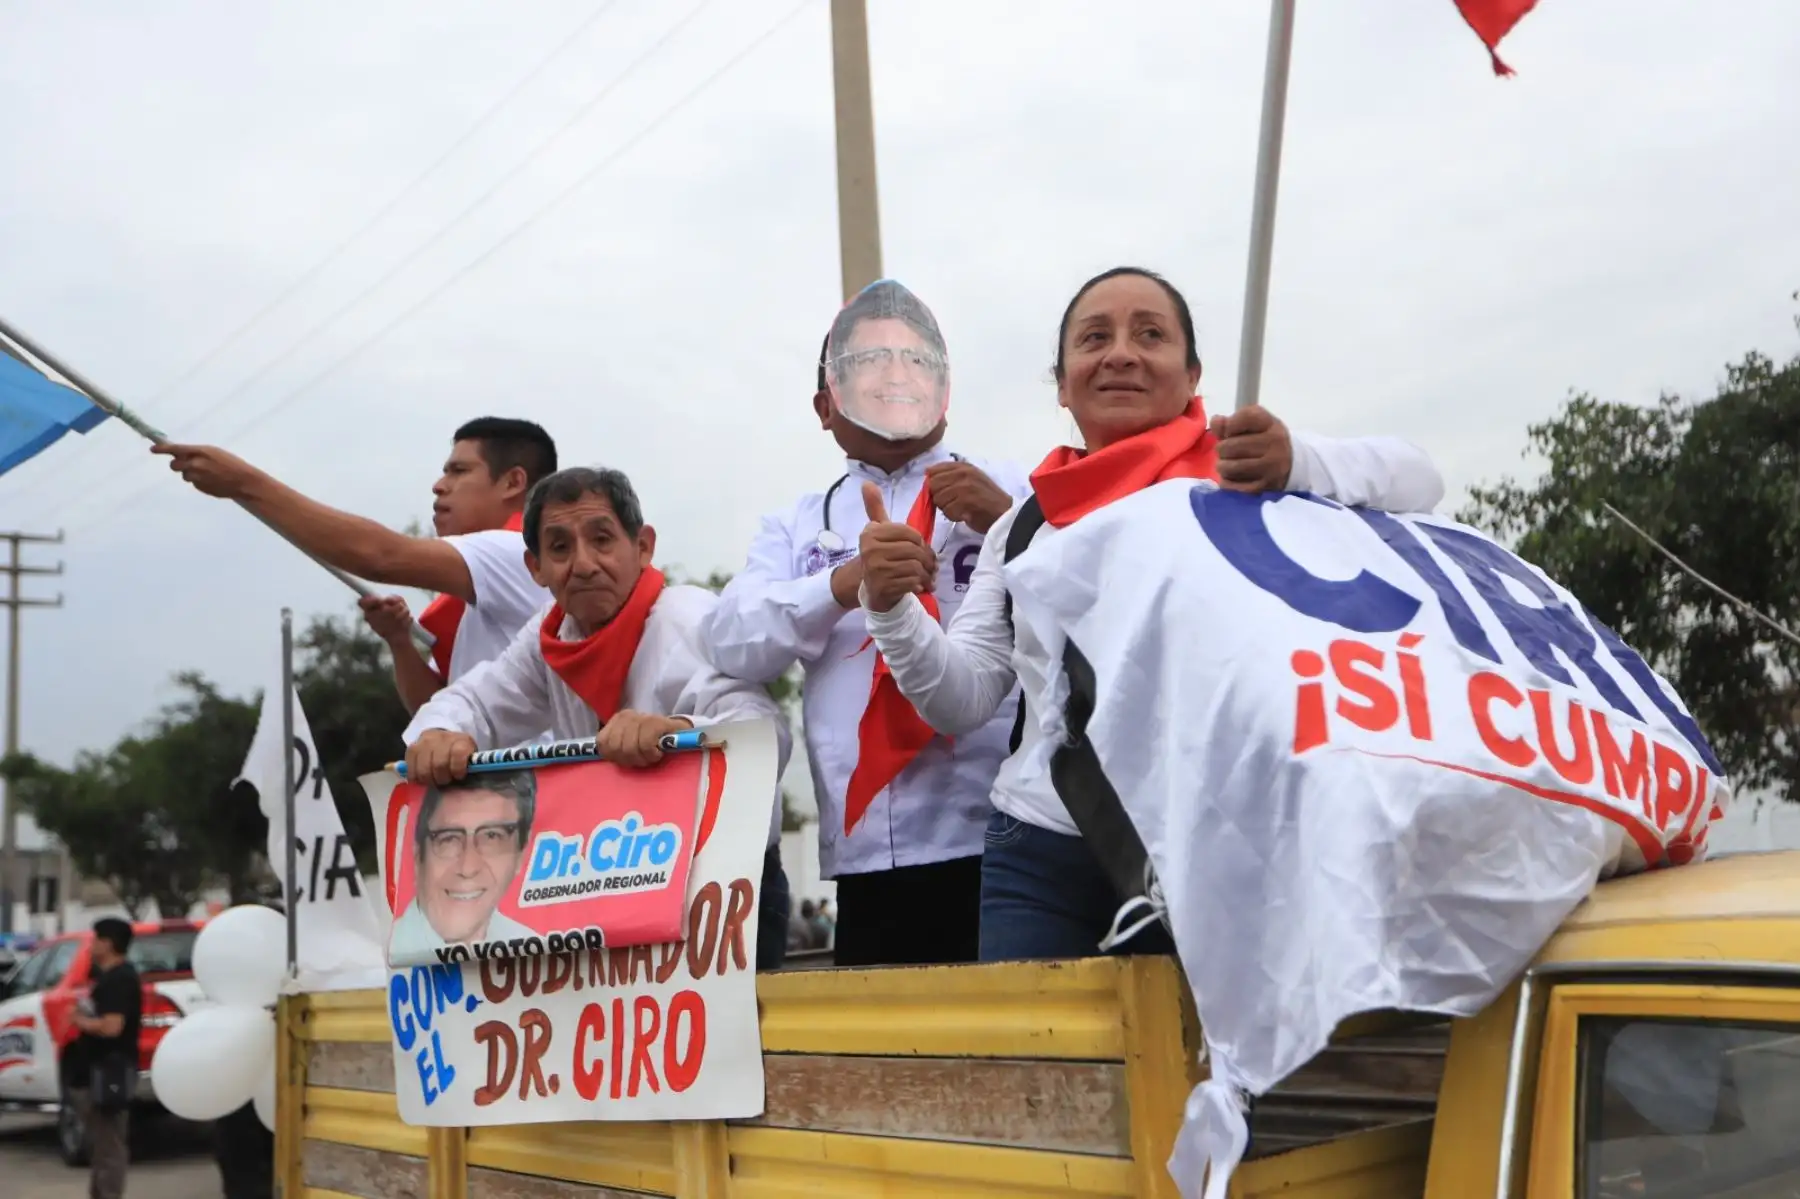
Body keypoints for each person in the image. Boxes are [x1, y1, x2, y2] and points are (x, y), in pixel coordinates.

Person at [859, 266, 1447, 962]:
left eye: (1150, 335)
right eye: (1094, 338)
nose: (1121, 354)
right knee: (1030, 1040)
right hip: (1042, 856)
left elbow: (1420, 478)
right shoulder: (1023, 526)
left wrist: (1301, 459)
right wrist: (890, 608)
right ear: (1063, 383)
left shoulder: (1251, 475)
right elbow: (963, 699)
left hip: (1220, 847)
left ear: (1192, 375)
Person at [703, 280, 1031, 967]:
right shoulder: (796, 524)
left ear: (940, 385)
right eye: (866, 363)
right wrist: (842, 583)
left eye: (909, 360)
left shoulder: (1019, 485)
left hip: (1005, 836)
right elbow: (730, 641)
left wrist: (1011, 522)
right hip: (869, 852)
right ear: (826, 404)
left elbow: (1092, 602)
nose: (891, 377)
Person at [402, 465, 793, 969]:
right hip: (614, 889)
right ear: (536, 567)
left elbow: (765, 734)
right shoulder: (549, 639)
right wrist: (439, 733)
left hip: (722, 885)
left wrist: (678, 734)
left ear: (643, 547)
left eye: (602, 540)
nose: (584, 565)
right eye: (560, 548)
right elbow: (473, 701)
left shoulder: (690, 618)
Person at [153, 417, 558, 711]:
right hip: (492, 794)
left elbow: (378, 555)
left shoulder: (516, 551)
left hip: (534, 793)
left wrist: (244, 483)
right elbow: (436, 711)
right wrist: (400, 643)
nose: (439, 486)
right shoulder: (484, 584)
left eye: (459, 471)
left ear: (513, 482)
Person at [389, 772, 540, 960]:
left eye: (492, 836)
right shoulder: (379, 958)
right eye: (449, 838)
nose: (467, 868)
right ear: (418, 855)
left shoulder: (538, 952)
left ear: (521, 854)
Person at [65, 917, 141, 1199]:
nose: (91, 944)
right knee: (100, 1147)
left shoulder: (119, 979)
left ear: (108, 943)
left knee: (109, 1149)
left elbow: (112, 1026)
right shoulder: (106, 977)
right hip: (93, 1072)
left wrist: (79, 1020)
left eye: (96, 939)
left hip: (107, 1074)